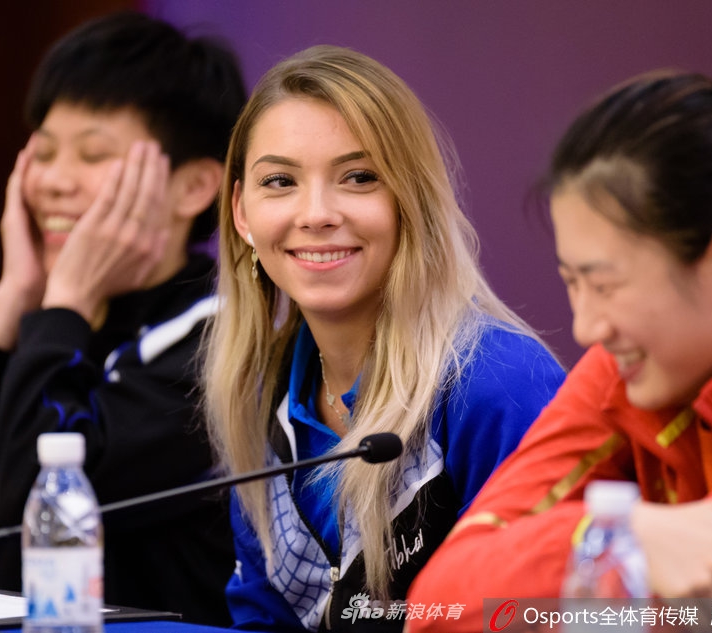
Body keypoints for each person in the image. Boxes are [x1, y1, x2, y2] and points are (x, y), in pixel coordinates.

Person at [406, 69, 712, 628]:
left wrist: (604, 549)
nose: (586, 328)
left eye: (605, 285)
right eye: (572, 283)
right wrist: (611, 533)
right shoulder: (631, 367)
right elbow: (437, 604)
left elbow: (705, 610)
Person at [201, 44, 565, 632]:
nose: (316, 212)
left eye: (359, 177)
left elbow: (543, 614)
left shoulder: (499, 382)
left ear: (409, 201)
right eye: (279, 181)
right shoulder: (257, 393)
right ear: (242, 211)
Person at [0, 11, 246, 625]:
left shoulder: (223, 342)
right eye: (43, 152)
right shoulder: (44, 321)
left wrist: (67, 299)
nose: (52, 181)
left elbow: (38, 502)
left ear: (193, 188)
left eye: (93, 154)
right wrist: (6, 303)